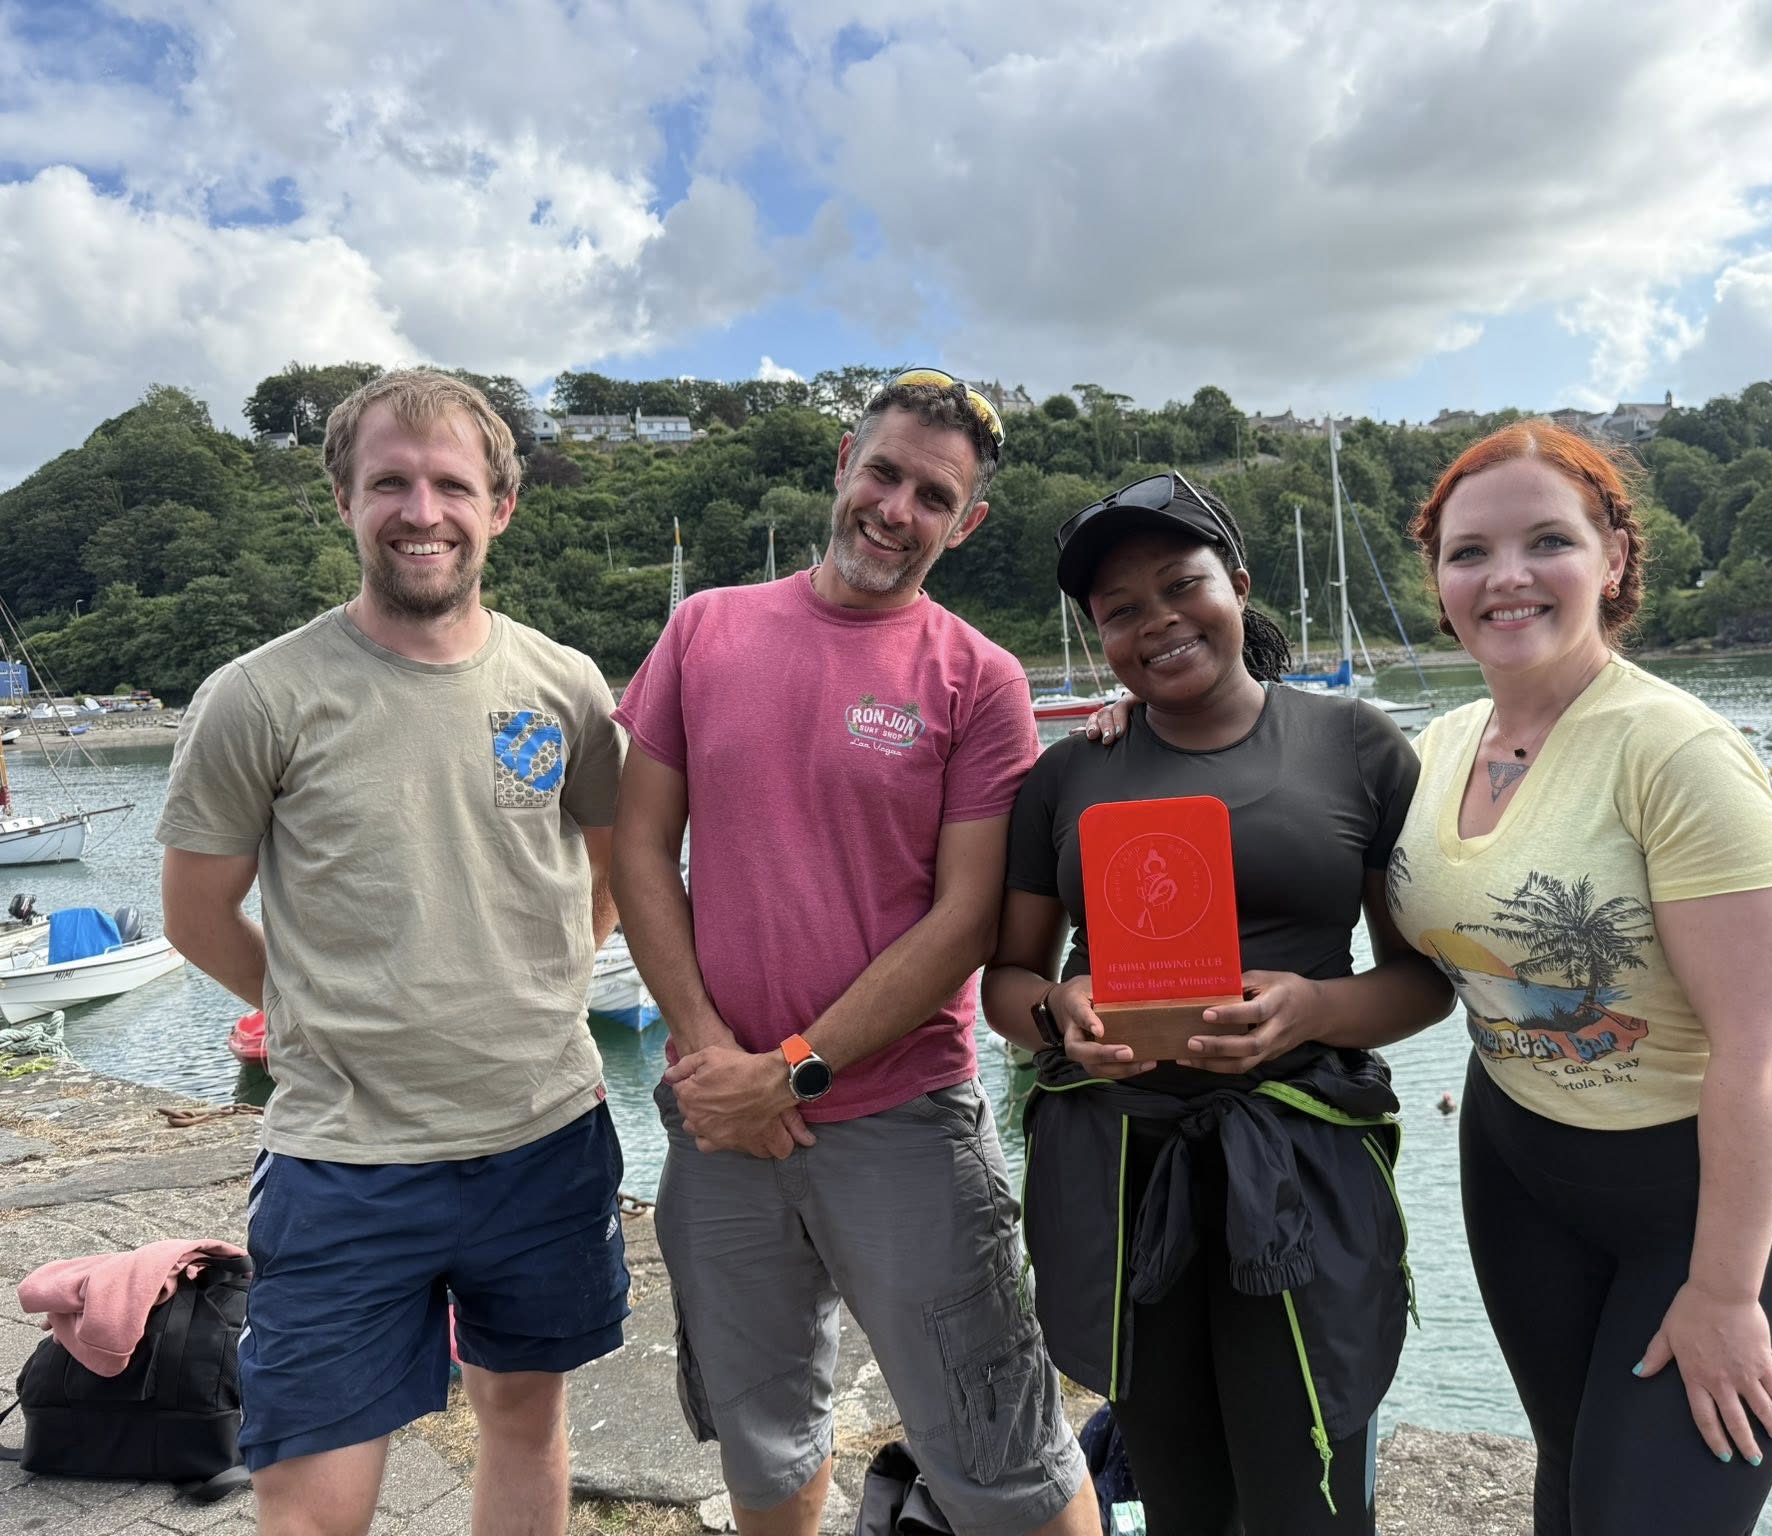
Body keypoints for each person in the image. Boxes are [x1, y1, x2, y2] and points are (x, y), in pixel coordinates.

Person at [610, 371, 1096, 1536]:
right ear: (842, 461)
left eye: (932, 495)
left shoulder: (979, 678)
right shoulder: (704, 627)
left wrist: (792, 1068)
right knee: (760, 1433)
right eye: (883, 473)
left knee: (1000, 1444)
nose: (895, 508)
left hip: (901, 1122)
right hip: (718, 1115)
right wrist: (711, 1057)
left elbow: (964, 922)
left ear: (964, 523)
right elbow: (637, 849)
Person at [158, 370, 630, 1536]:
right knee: (310, 1494)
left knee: (524, 1425)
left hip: (544, 1137)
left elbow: (618, 876)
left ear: (500, 506)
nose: (422, 510)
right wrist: (314, 1005)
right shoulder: (259, 697)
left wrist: (531, 985)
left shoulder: (563, 687)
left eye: (451, 485)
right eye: (390, 483)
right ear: (343, 499)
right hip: (342, 1158)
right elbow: (196, 912)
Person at [1389, 421, 1772, 1534]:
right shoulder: (1442, 743)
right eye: (1467, 552)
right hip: (1518, 1163)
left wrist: (1726, 1292)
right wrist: (1131, 727)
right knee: (1569, 1488)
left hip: (1704, 1193)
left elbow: (1765, 1040)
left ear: (1612, 560)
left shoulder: (1671, 751)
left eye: (1545, 540)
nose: (1503, 576)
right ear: (1438, 579)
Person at [982, 472, 1456, 1535]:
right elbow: (1001, 984)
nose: (1156, 622)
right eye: (1118, 612)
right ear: (1095, 635)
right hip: (1122, 1173)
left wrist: (1311, 1011)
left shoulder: (1356, 747)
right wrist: (1064, 1013)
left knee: (1313, 1485)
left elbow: (1424, 978)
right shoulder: (1066, 779)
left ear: (1236, 585)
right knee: (1178, 1484)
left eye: (1180, 584)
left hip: (1299, 1165)